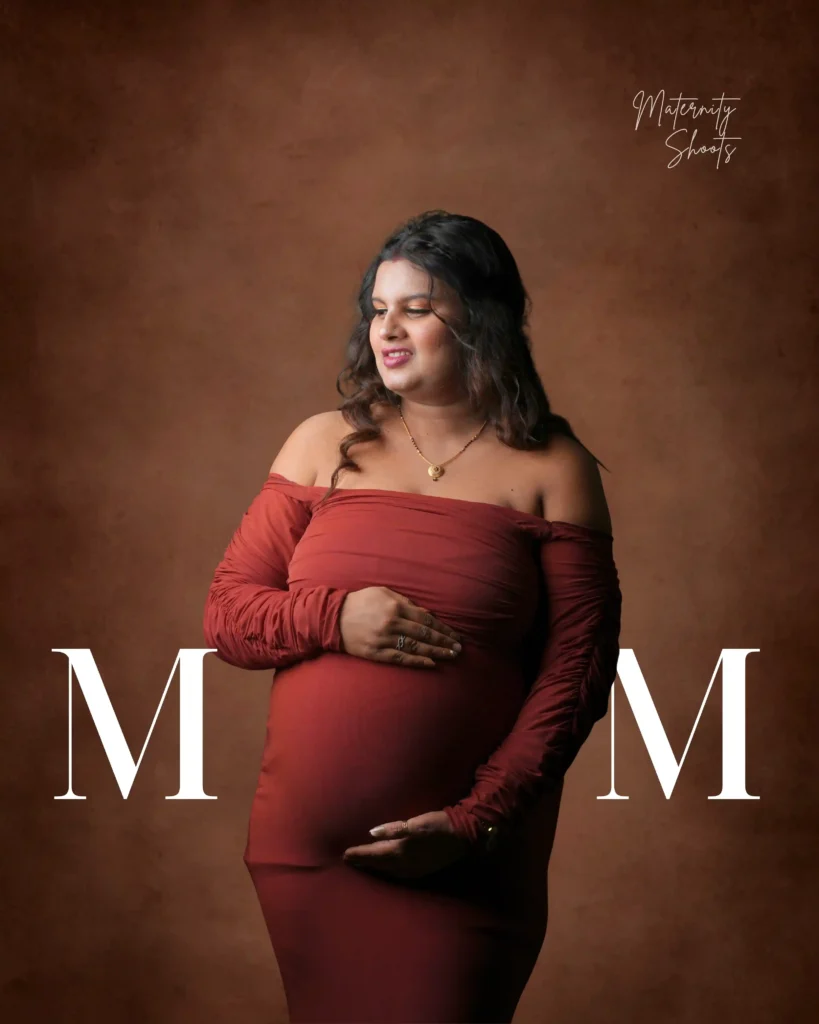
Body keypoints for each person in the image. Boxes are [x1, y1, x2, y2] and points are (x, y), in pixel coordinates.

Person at [202, 210, 622, 1023]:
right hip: (307, 857)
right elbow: (227, 614)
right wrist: (335, 619)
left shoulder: (553, 469)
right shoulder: (323, 445)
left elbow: (577, 672)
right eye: (377, 308)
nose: (386, 329)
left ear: (480, 320)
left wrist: (472, 824)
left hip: (459, 858)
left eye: (417, 308)